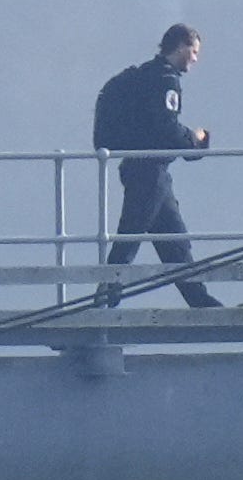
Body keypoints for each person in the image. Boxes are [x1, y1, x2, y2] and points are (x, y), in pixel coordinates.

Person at [91, 23, 219, 310]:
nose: (195, 59)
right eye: (194, 51)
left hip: (147, 170)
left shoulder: (147, 75)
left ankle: (202, 304)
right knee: (130, 238)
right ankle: (102, 302)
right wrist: (195, 140)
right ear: (181, 46)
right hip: (149, 174)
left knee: (174, 245)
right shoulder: (166, 80)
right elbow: (166, 127)